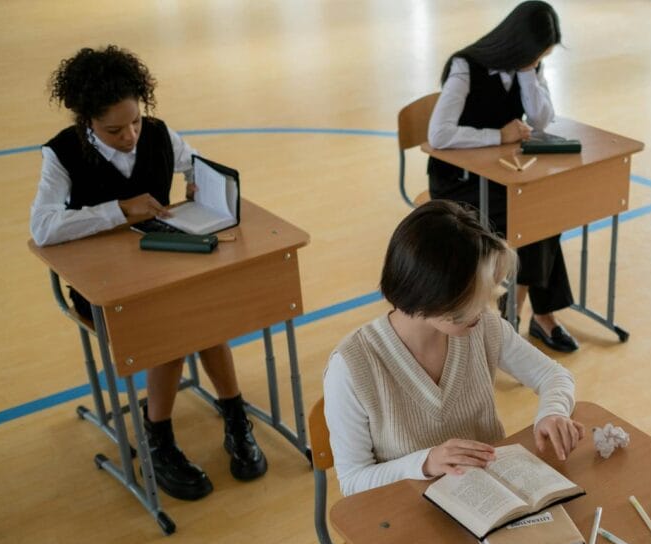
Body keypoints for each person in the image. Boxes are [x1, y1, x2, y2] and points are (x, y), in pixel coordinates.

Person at [31, 46, 267, 500]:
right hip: (102, 287)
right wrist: (118, 210)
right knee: (177, 324)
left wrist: (201, 184)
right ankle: (159, 434)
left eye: (136, 121)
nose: (131, 135)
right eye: (115, 129)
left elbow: (195, 165)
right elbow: (42, 228)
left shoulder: (158, 134)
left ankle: (234, 414)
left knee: (203, 312)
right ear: (87, 123)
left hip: (164, 263)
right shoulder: (61, 154)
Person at [323, 200, 584, 496]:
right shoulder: (351, 366)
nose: (487, 308)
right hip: (406, 513)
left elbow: (555, 376)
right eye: (473, 299)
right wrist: (426, 462)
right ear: (434, 294)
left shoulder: (481, 326)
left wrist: (552, 412)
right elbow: (353, 481)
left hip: (487, 498)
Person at [427, 0, 579, 353]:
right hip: (460, 180)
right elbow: (439, 134)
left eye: (542, 58)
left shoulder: (528, 67)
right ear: (518, 44)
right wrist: (498, 136)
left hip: (501, 175)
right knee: (535, 216)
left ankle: (523, 312)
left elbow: (542, 120)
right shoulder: (466, 66)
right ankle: (526, 316)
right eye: (535, 55)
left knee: (545, 210)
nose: (539, 62)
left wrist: (528, 73)